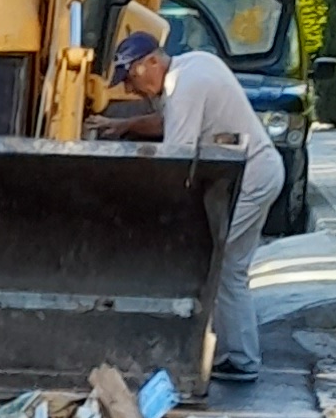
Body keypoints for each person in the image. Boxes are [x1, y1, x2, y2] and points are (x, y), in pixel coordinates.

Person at [105, 28, 285, 382]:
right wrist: (124, 126)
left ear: (153, 61)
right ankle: (240, 357)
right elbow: (167, 121)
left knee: (212, 264)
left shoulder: (183, 86)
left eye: (131, 76)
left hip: (250, 180)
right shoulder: (194, 65)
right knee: (231, 268)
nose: (129, 89)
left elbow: (176, 156)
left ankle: (209, 354)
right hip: (259, 172)